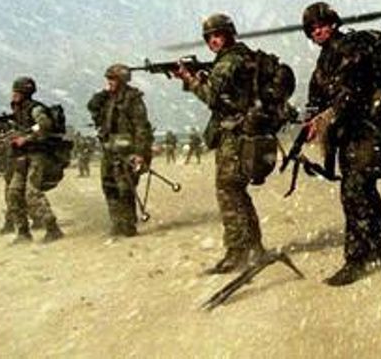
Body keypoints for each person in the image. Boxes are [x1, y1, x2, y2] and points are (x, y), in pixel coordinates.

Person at [302, 2, 381, 286]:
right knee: (364, 189)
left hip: (368, 132)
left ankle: (355, 259)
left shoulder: (350, 49)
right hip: (350, 137)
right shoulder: (324, 62)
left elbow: (350, 94)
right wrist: (311, 121)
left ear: (333, 23)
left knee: (353, 191)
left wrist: (324, 117)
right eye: (312, 29)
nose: (318, 31)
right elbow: (316, 98)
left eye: (321, 25)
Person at [174, 14, 265, 273]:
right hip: (245, 133)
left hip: (234, 135)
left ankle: (237, 252)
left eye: (217, 35)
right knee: (238, 192)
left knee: (227, 191)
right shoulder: (243, 56)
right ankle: (254, 247)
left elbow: (212, 97)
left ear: (228, 34)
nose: (213, 41)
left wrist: (189, 80)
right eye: (209, 37)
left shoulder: (229, 61)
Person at [88, 64, 154, 237]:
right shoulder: (107, 99)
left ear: (122, 80)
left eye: (113, 79)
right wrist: (102, 95)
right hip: (110, 149)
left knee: (125, 187)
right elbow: (92, 107)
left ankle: (128, 225)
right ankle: (117, 223)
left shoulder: (133, 99)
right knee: (109, 186)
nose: (109, 82)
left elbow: (142, 128)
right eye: (108, 79)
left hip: (128, 151)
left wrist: (140, 153)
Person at [6, 76, 65, 243]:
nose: (13, 95)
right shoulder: (19, 110)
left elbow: (44, 125)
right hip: (22, 158)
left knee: (32, 193)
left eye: (16, 92)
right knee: (13, 193)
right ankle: (23, 232)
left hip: (37, 156)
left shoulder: (35, 109)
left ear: (24, 93)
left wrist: (27, 139)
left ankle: (53, 228)